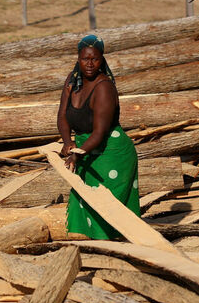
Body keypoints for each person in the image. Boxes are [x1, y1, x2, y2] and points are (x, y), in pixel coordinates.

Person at [57, 35, 140, 238]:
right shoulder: (72, 80)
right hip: (87, 150)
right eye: (85, 59)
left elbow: (100, 132)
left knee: (104, 205)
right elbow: (62, 115)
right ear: (78, 58)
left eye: (95, 59)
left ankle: (112, 253)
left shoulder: (104, 88)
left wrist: (76, 155)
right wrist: (68, 142)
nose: (90, 64)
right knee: (85, 200)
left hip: (111, 153)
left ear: (102, 59)